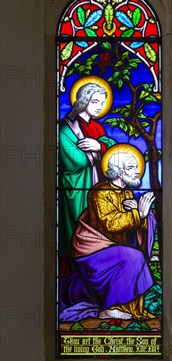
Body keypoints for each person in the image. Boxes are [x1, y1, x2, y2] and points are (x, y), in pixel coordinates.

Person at [59, 145, 156, 322]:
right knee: (133, 257)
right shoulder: (100, 192)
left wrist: (145, 217)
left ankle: (130, 307)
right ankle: (107, 309)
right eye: (131, 167)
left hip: (111, 247)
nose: (137, 172)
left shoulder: (126, 192)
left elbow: (133, 223)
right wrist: (138, 214)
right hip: (91, 250)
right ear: (119, 172)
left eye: (137, 167)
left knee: (134, 255)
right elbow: (110, 224)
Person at [59, 80, 116, 266]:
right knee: (80, 229)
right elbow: (74, 160)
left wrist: (98, 145)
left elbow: (112, 153)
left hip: (98, 185)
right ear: (83, 101)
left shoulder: (98, 128)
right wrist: (96, 153)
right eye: (95, 102)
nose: (99, 107)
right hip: (78, 188)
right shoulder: (66, 128)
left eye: (101, 102)